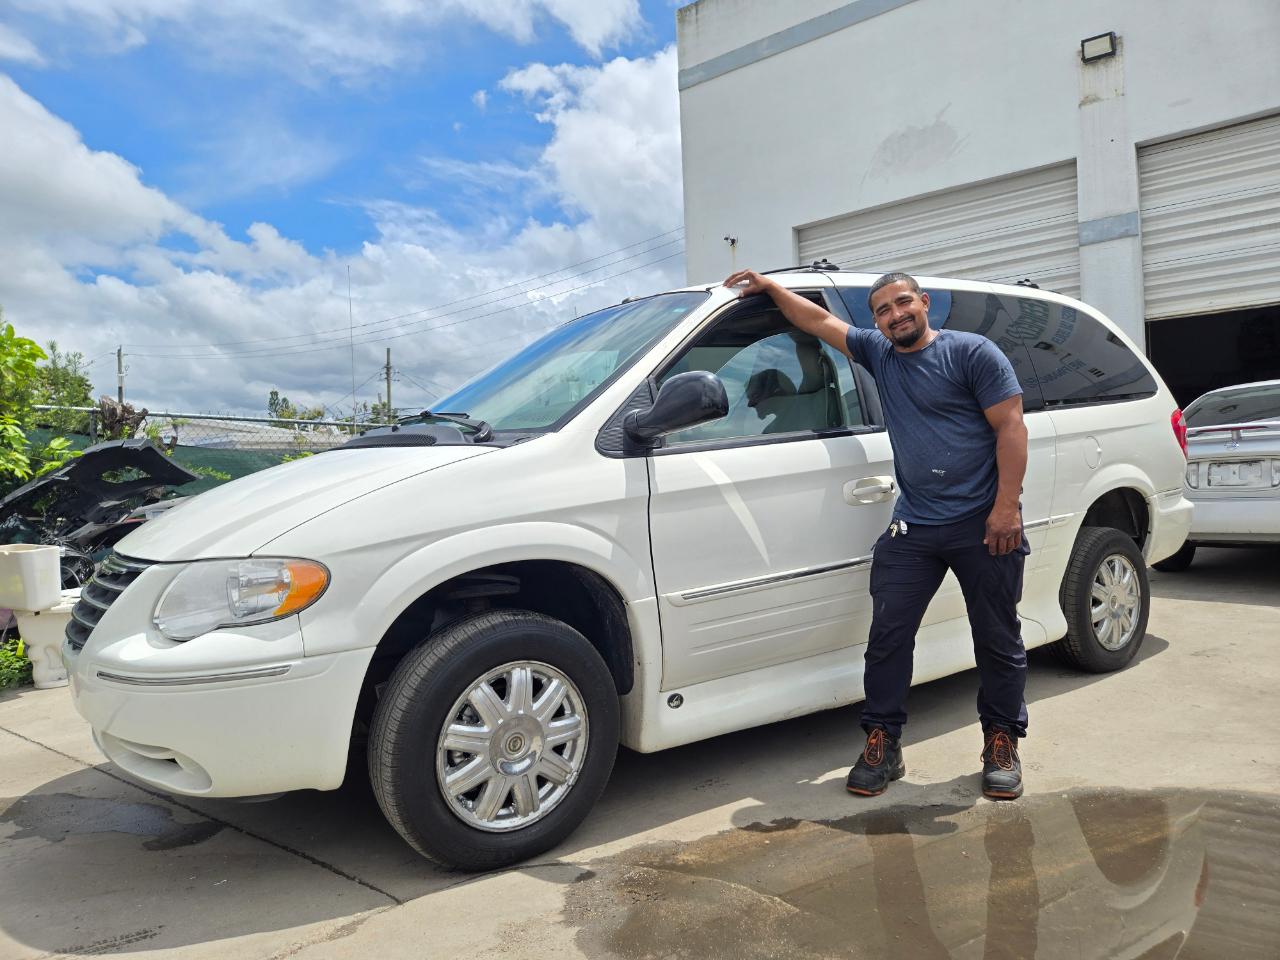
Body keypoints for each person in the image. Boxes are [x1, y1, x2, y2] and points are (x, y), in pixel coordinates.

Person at [723, 269, 1030, 800]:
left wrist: (1006, 509)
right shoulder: (880, 354)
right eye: (883, 310)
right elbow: (819, 322)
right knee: (888, 638)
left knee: (998, 640)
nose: (895, 315)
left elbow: (1012, 426)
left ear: (924, 303)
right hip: (915, 524)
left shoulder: (971, 354)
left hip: (982, 523)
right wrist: (773, 289)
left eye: (903, 303)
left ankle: (1001, 741)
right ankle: (883, 743)